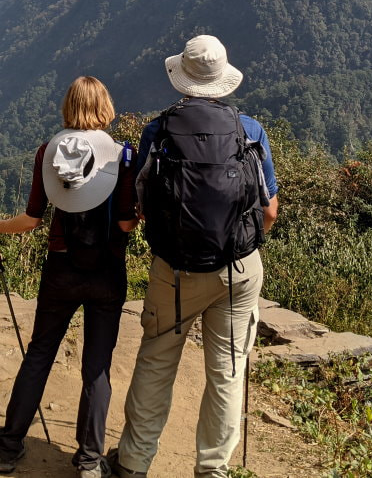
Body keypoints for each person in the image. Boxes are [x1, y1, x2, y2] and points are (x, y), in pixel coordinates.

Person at [112, 35, 279, 478]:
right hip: (238, 269)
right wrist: (239, 242)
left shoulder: (159, 130)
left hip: (175, 271)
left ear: (181, 78)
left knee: (157, 361)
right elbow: (270, 210)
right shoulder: (251, 130)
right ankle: (213, 470)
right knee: (226, 374)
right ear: (224, 80)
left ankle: (132, 464)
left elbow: (139, 206)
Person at [0, 75, 138, 478]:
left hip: (60, 269)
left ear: (68, 107)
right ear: (105, 107)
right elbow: (124, 226)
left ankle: (9, 447)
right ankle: (88, 461)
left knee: (39, 353)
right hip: (107, 273)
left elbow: (33, 219)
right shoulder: (122, 156)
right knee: (97, 366)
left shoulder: (47, 152)